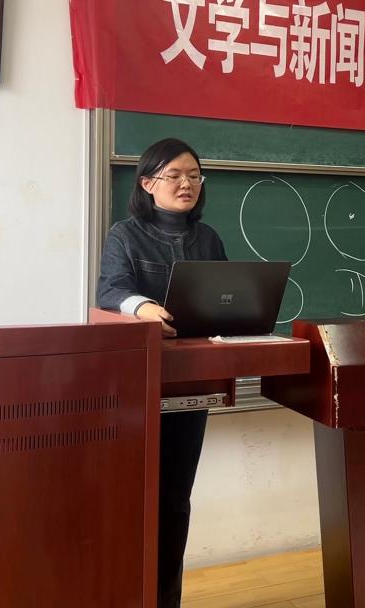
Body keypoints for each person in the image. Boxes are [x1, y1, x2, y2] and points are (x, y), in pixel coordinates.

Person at [97, 137, 226, 608]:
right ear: (148, 183)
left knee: (175, 499)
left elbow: (227, 294)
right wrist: (143, 306)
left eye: (194, 175)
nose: (186, 183)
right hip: (140, 381)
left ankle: (166, 599)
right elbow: (110, 291)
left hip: (192, 381)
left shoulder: (208, 239)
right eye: (174, 175)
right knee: (135, 496)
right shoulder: (125, 235)